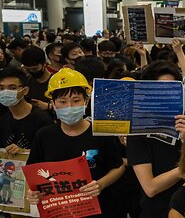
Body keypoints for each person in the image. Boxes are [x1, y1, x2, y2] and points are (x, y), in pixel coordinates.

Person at [26, 68, 125, 216]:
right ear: (53, 103)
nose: (69, 107)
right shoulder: (44, 136)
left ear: (86, 101)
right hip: (61, 211)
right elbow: (33, 172)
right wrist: (32, 192)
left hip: (102, 208)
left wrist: (101, 184)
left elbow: (118, 167)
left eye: (76, 100)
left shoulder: (101, 133)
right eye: (62, 101)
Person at [127, 61, 185, 218]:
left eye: (173, 88)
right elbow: (150, 187)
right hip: (156, 211)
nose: (167, 94)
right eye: (161, 89)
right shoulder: (137, 132)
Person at [0, 67, 53, 155]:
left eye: (12, 88)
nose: (6, 92)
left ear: (25, 90)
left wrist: (24, 152)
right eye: (1, 88)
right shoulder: (3, 120)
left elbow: (49, 151)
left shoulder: (41, 118)